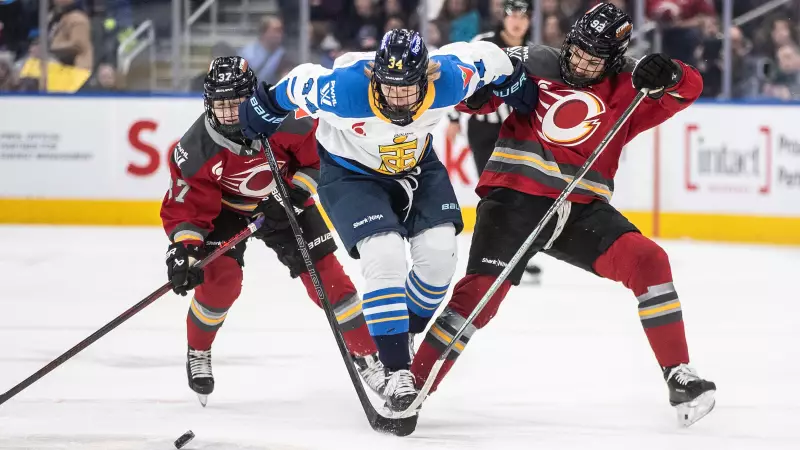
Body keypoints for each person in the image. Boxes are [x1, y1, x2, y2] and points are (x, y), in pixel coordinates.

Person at [410, 3, 717, 427]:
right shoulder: (535, 61)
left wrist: (672, 74)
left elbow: (690, 88)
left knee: (649, 261)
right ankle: (414, 382)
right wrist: (473, 93)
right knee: (480, 296)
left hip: (582, 209)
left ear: (613, 60)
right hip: (513, 200)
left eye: (595, 58)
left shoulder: (631, 85)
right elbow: (477, 84)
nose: (581, 62)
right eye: (578, 50)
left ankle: (679, 374)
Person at [237, 29, 535, 413]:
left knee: (440, 257)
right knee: (385, 256)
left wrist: (516, 83)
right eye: (388, 88)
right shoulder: (343, 90)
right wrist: (261, 109)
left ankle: (401, 333)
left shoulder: (447, 80)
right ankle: (396, 369)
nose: (396, 99)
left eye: (406, 89)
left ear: (424, 77)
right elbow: (295, 84)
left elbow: (489, 57)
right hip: (350, 173)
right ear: (375, 77)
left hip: (417, 167)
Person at [160, 56, 386, 406]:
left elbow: (318, 160)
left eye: (237, 103)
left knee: (332, 281)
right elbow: (189, 208)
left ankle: (367, 356)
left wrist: (295, 192)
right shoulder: (194, 149)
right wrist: (185, 249)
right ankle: (198, 349)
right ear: (208, 103)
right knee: (221, 283)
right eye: (221, 105)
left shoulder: (289, 118)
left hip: (286, 200)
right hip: (226, 212)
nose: (231, 113)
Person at [446, 0, 543, 284]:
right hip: (485, 131)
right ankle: (496, 257)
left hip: (519, 131)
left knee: (524, 195)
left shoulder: (535, 51)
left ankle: (513, 256)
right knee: (496, 195)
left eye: (523, 16)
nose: (517, 21)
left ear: (530, 21)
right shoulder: (484, 44)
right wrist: (453, 119)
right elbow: (460, 75)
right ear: (504, 17)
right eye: (513, 15)